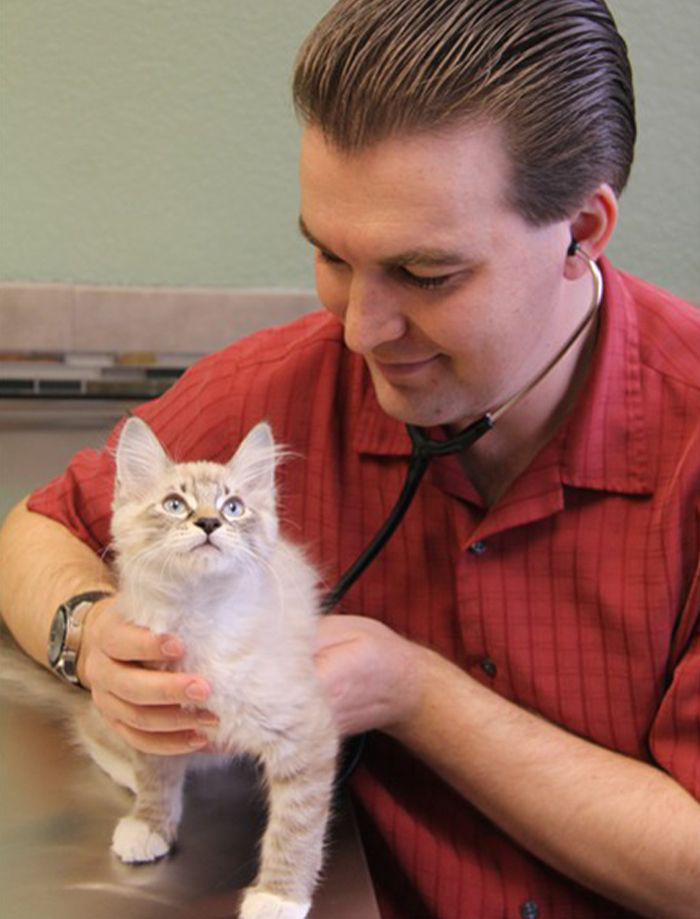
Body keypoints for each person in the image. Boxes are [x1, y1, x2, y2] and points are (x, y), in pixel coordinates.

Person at [1, 1, 699, 916]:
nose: (364, 332)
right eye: (331, 255)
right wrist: (92, 638)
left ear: (582, 231)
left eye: (427, 275)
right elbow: (39, 527)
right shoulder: (278, 388)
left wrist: (413, 692)